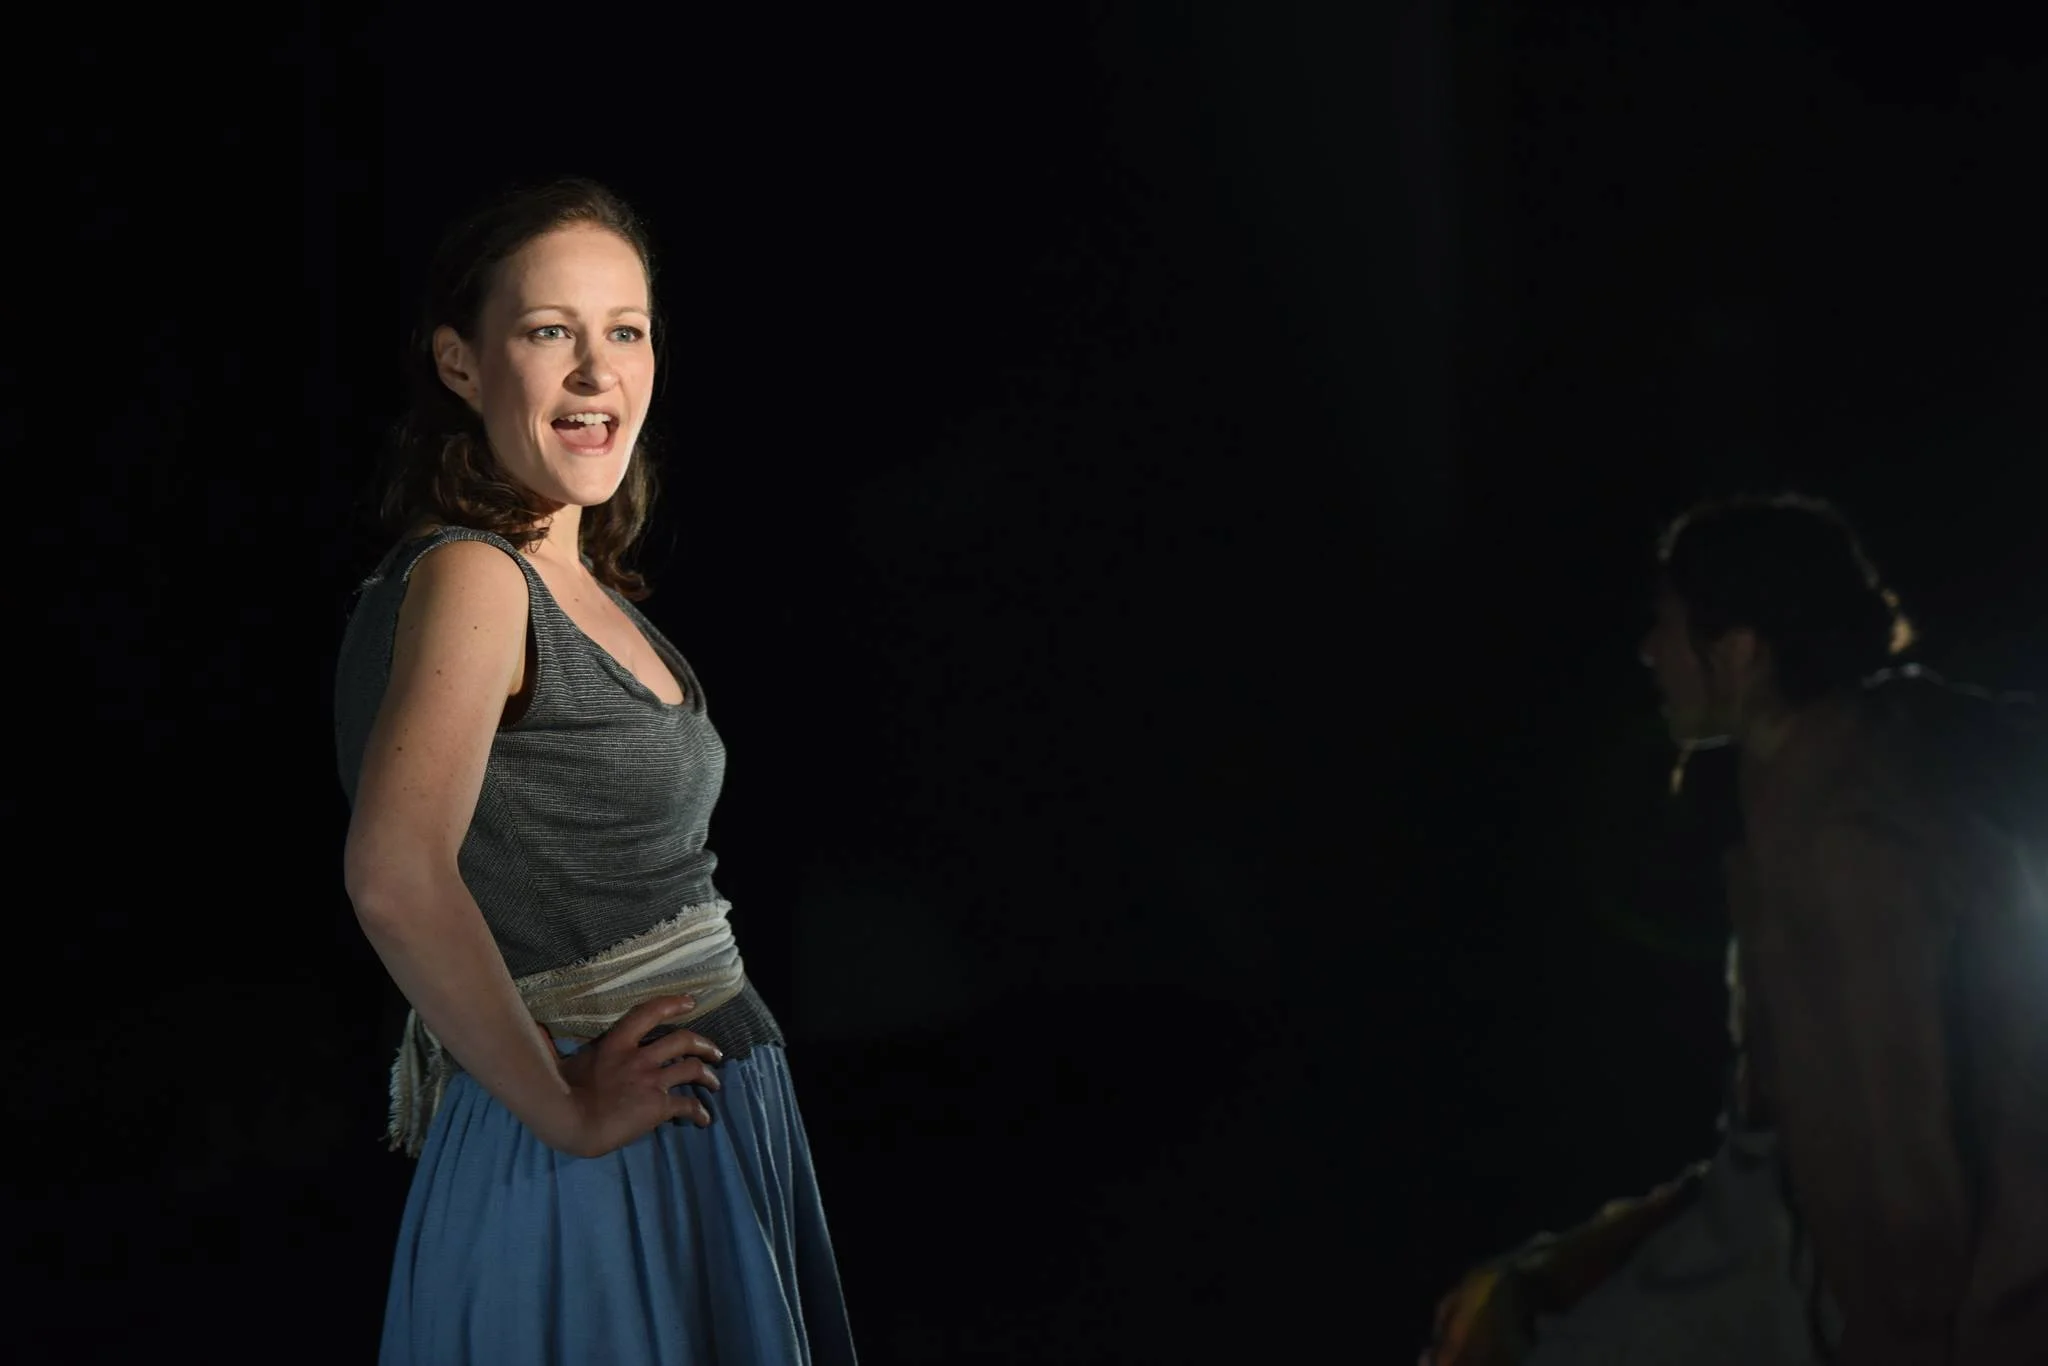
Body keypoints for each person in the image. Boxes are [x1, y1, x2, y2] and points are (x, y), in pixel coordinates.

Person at [334, 177, 858, 1365]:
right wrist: (567, 1109)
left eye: (624, 331)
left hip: (674, 1136)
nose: (595, 371)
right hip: (593, 1153)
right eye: (546, 331)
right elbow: (394, 875)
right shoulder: (475, 577)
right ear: (460, 364)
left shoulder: (564, 580)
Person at [1426, 493, 2044, 1365]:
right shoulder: (1832, 771)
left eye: (1668, 625)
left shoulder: (1851, 838)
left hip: (1854, 1279)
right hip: (1793, 1230)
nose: (1649, 651)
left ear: (1742, 650)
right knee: (1502, 1316)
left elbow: (1905, 1197)